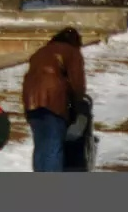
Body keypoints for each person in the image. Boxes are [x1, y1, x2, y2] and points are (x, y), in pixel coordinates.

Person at [22, 26, 86, 172]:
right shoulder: (72, 52)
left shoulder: (41, 52)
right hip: (54, 102)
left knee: (41, 146)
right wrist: (79, 105)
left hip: (31, 101)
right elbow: (77, 83)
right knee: (53, 146)